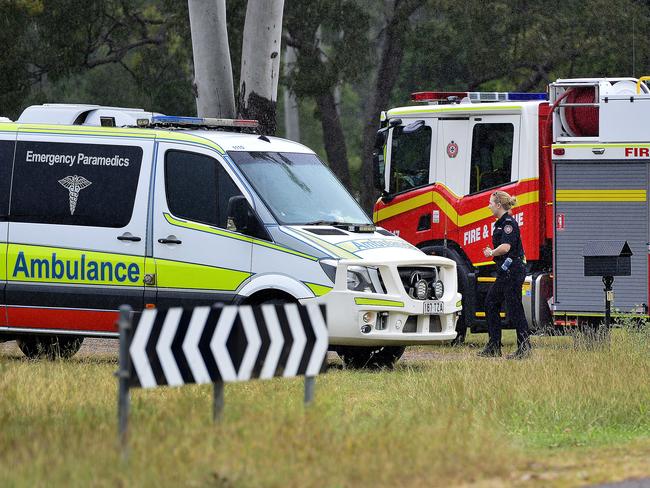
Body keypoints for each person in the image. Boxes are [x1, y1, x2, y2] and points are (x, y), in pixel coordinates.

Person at [478, 190, 532, 359]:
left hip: (512, 271)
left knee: (511, 307)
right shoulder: (501, 223)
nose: (489, 206)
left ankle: (523, 348)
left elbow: (506, 248)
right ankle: (495, 345)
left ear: (499, 205)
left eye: (491, 203)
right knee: (492, 303)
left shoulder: (508, 223)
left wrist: (491, 253)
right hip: (507, 271)